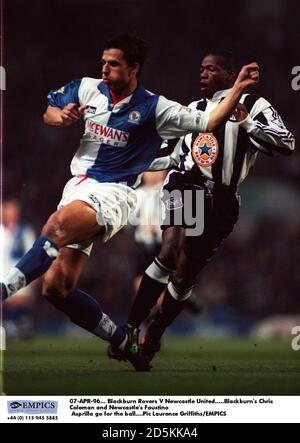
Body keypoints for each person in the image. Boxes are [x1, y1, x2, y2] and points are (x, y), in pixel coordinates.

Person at [0, 34, 259, 371]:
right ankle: (123, 341)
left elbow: (210, 122)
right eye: (103, 62)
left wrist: (237, 88)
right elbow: (49, 110)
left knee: (55, 226)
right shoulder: (87, 88)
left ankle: (3, 290)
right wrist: (60, 116)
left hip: (114, 193)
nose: (104, 69)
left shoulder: (156, 107)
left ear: (134, 68)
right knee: (56, 288)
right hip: (77, 186)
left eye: (113, 64)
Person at [109, 51, 295, 367]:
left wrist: (245, 120)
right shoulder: (193, 111)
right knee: (170, 252)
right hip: (188, 186)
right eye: (201, 69)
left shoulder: (254, 106)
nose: (203, 73)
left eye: (212, 69)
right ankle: (128, 327)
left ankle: (153, 333)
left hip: (223, 202)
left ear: (229, 74)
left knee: (184, 277)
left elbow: (286, 142)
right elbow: (168, 156)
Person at [0, 199, 36, 338]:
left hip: (18, 274)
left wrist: (33, 281)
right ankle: (9, 327)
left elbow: (31, 254)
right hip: (2, 273)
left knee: (19, 302)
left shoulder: (24, 231)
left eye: (11, 209)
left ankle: (21, 325)